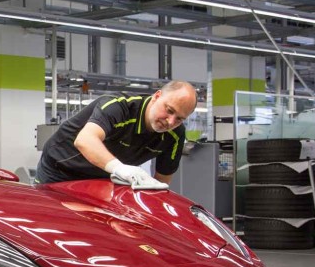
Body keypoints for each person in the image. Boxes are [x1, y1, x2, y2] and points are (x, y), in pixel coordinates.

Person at [36, 80, 198, 187]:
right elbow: (85, 140)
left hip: (103, 177)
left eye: (179, 118)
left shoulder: (175, 135)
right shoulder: (118, 107)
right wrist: (120, 168)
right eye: (169, 110)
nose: (170, 122)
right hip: (60, 170)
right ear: (156, 96)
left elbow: (161, 181)